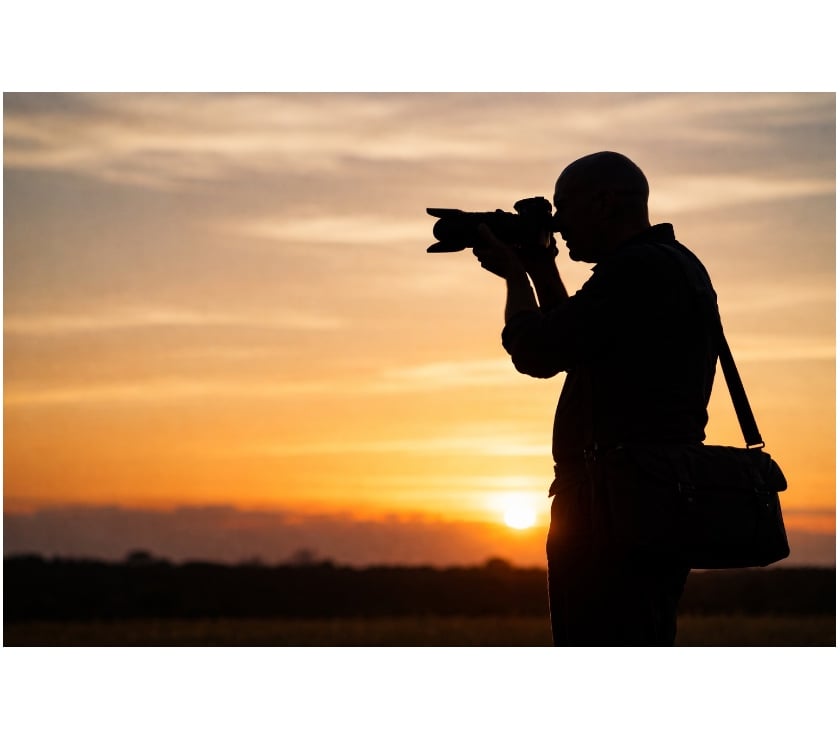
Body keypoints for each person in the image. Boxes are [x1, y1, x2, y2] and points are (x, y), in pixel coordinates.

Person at [472, 151, 719, 646]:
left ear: (604, 203)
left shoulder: (635, 272)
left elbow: (538, 352)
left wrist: (514, 276)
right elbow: (577, 347)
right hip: (651, 500)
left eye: (565, 207)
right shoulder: (671, 265)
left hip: (616, 511)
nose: (558, 224)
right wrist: (541, 266)